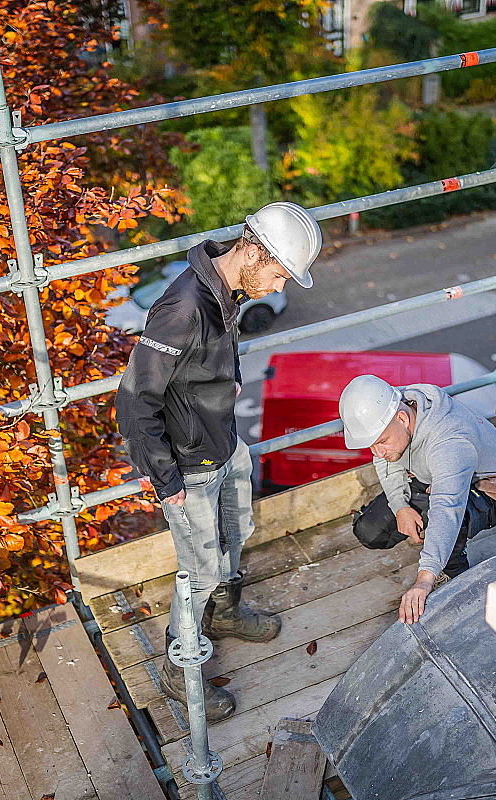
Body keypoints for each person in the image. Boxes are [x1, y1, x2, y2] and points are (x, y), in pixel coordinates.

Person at [115, 202, 322, 721]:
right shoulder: (184, 307)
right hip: (189, 463)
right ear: (253, 251)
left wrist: (225, 386)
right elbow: (135, 398)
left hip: (223, 441)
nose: (278, 287)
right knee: (199, 571)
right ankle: (177, 668)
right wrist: (166, 481)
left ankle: (225, 615)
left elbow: (200, 365)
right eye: (278, 273)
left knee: (239, 529)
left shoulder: (225, 291)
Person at [339, 375, 496, 626]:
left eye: (382, 442)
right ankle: (433, 542)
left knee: (443, 521)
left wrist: (424, 579)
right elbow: (386, 460)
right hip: (432, 474)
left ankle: (454, 576)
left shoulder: (449, 442)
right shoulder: (395, 409)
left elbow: (446, 507)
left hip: (491, 487)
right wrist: (401, 508)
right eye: (372, 445)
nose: (378, 453)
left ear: (402, 419)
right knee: (370, 531)